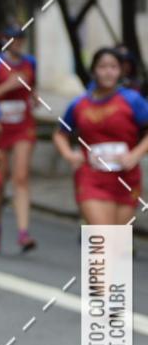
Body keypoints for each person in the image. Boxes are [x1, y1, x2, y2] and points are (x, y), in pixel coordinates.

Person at [53, 46, 148, 226]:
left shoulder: (132, 100)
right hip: (91, 177)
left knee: (117, 246)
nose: (108, 72)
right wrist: (69, 155)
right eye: (102, 67)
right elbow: (60, 134)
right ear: (94, 71)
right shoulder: (79, 104)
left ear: (120, 71)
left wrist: (135, 155)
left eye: (113, 67)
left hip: (126, 179)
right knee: (101, 238)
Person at [0, 26, 37, 253]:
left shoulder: (31, 62)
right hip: (0, 128)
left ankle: (24, 233)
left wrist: (34, 97)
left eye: (21, 38)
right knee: (0, 181)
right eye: (13, 39)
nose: (18, 43)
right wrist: (8, 86)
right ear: (4, 40)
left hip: (24, 125)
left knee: (21, 177)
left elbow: (33, 88)